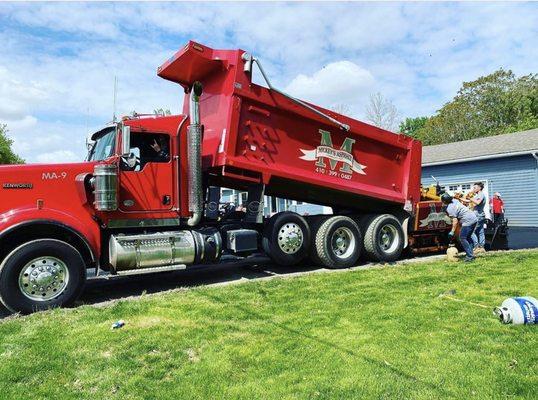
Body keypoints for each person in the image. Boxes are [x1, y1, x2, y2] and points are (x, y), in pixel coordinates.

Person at [441, 193, 478, 262]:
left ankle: (470, 256)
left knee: (462, 238)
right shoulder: (455, 200)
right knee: (468, 237)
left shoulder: (450, 208)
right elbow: (453, 198)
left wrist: (452, 231)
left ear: (444, 201)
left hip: (468, 220)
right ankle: (471, 254)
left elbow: (455, 221)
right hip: (474, 218)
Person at [461, 182, 486, 252]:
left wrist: (470, 198)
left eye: (475, 187)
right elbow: (469, 201)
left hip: (478, 215)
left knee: (472, 232)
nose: (473, 189)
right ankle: (481, 247)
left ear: (479, 188)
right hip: (480, 215)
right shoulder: (478, 195)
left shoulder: (481, 195)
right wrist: (460, 199)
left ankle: (476, 246)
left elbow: (477, 202)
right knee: (480, 231)